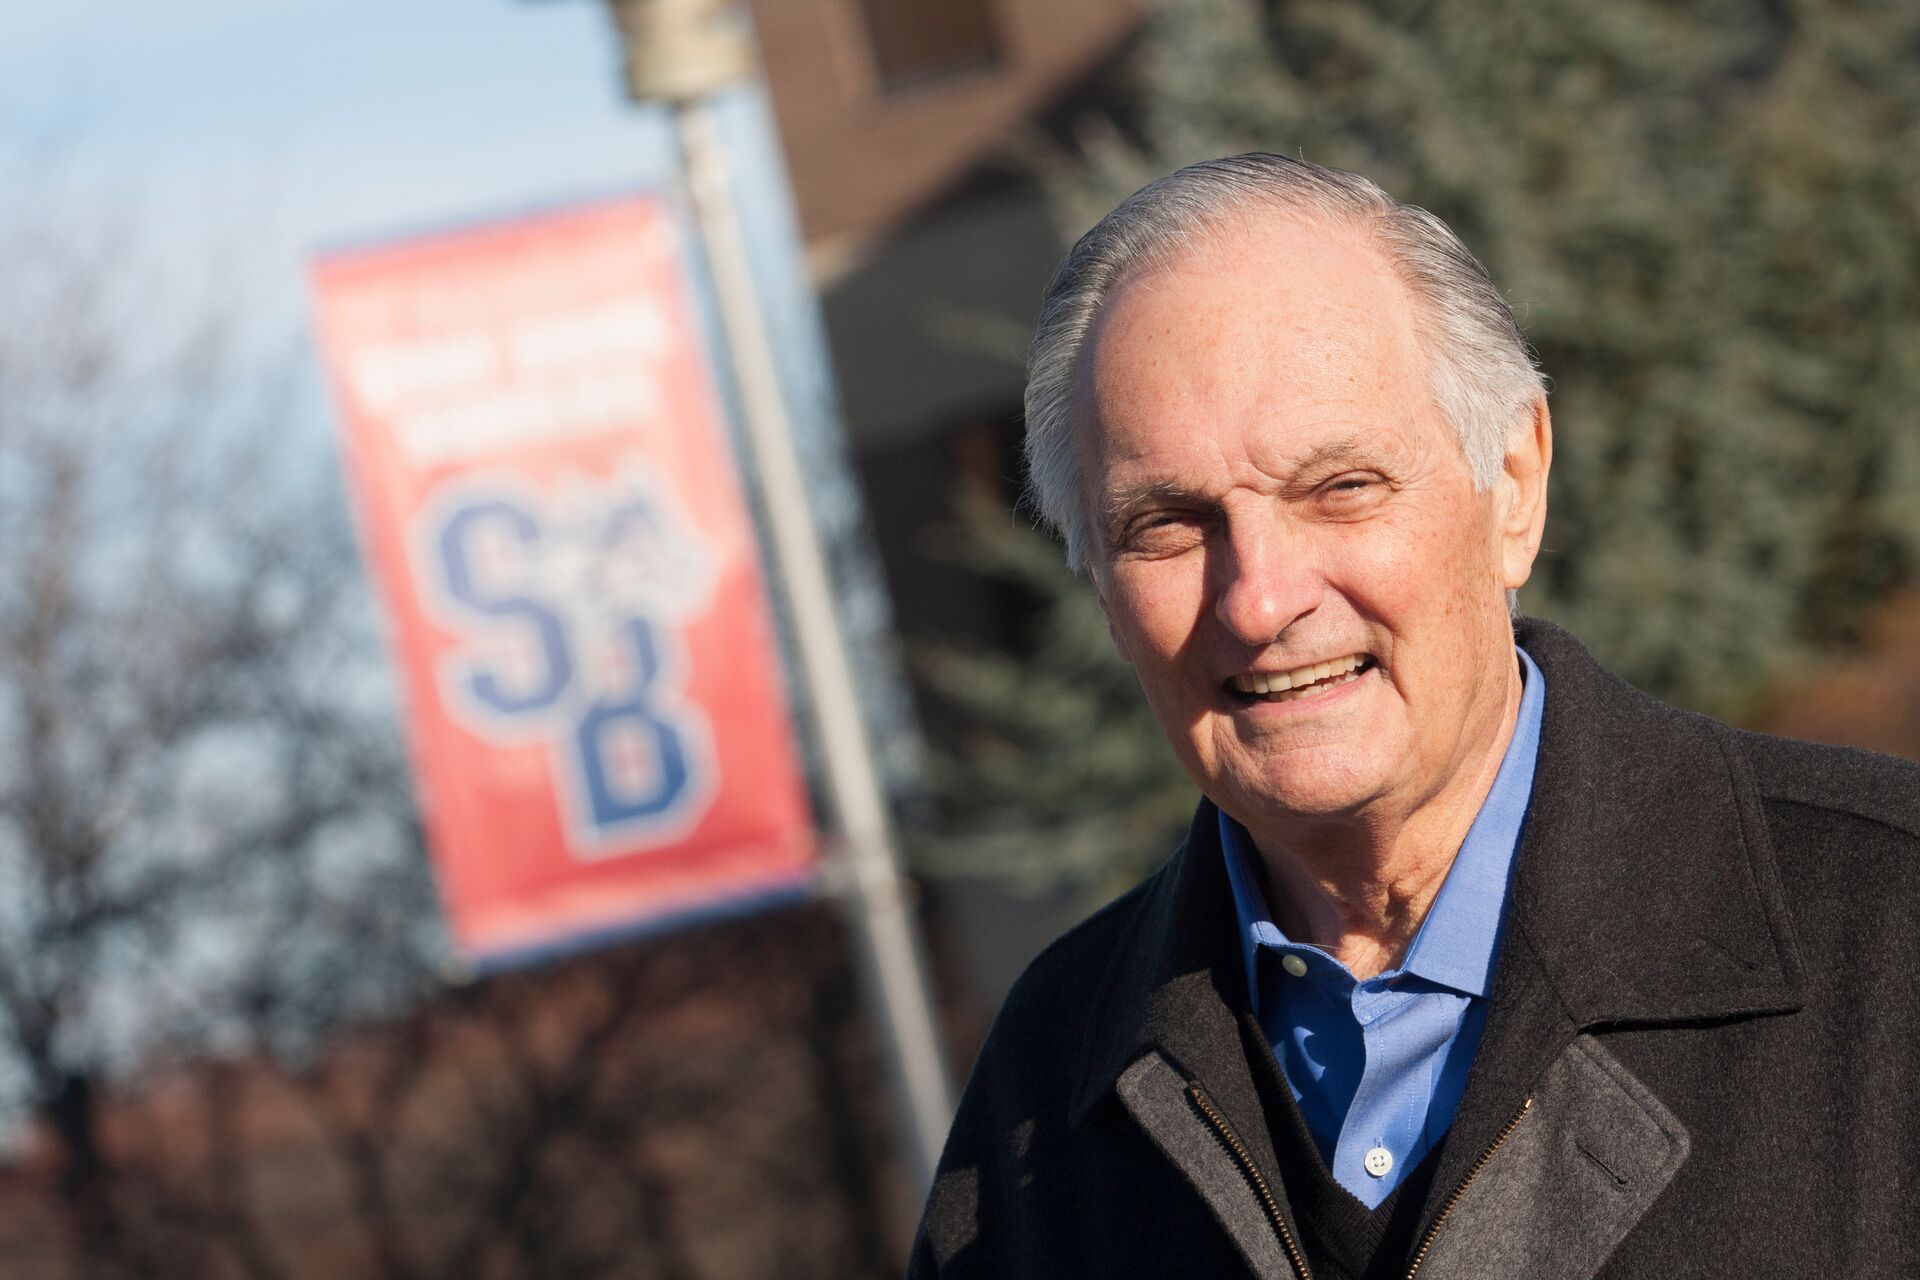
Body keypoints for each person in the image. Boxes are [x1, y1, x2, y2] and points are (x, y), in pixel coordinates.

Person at [907, 154, 1920, 1280]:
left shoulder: (1885, 930)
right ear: (1100, 583)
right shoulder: (1046, 1091)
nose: (1260, 596)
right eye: (1169, 524)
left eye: (1340, 486)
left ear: (1515, 486)